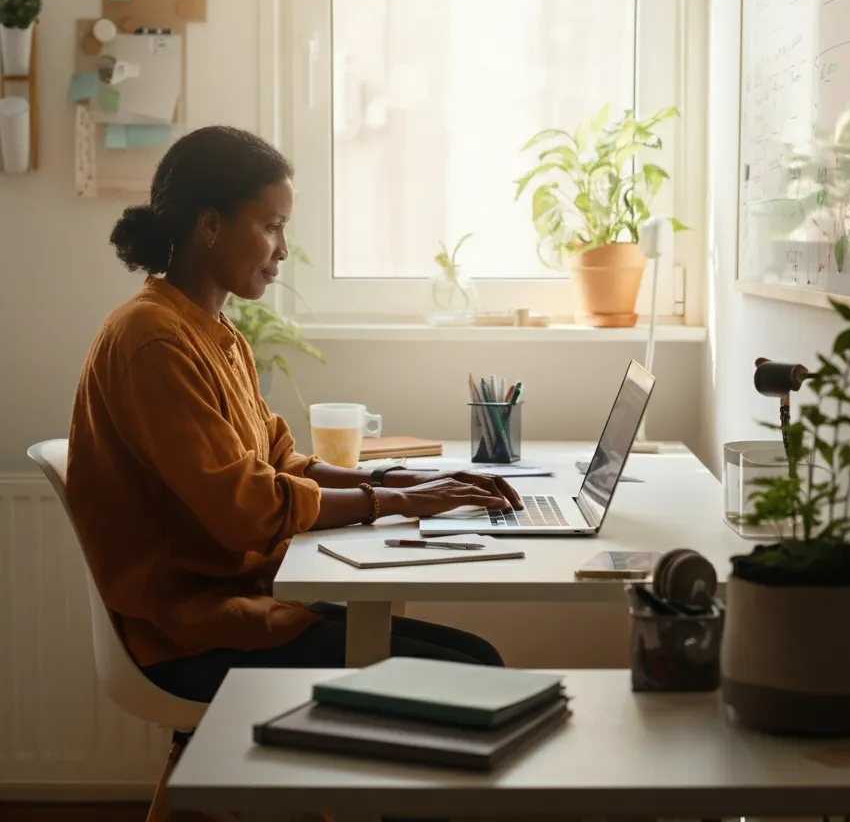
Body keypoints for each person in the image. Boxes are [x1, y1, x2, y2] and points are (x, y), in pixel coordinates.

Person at [66, 125, 523, 708]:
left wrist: (389, 480)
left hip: (249, 599)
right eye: (271, 225)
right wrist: (393, 503)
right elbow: (247, 508)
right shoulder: (153, 340)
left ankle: (377, 797)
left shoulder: (214, 332)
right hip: (194, 633)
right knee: (474, 680)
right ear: (210, 225)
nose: (283, 248)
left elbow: (279, 460)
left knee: (479, 663)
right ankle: (371, 797)